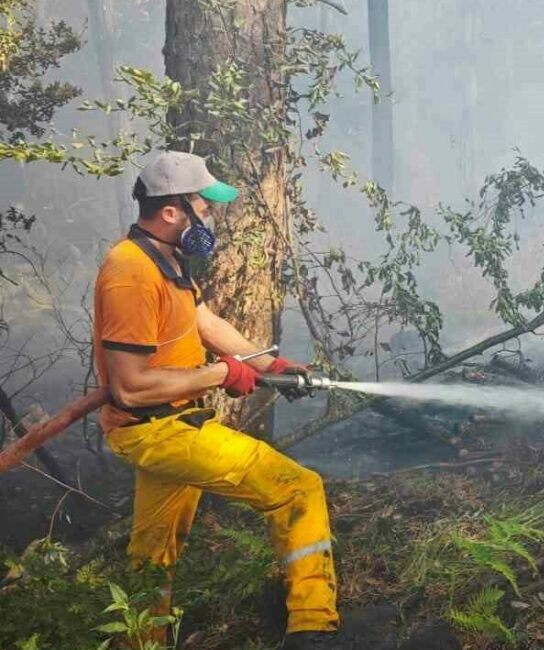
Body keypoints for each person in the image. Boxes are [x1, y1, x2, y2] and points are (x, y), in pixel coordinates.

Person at [93, 151, 352, 649]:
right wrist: (220, 374)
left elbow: (203, 322)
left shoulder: (162, 258)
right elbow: (130, 387)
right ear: (172, 213)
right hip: (158, 429)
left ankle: (140, 643)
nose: (211, 216)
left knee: (152, 558)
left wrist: (266, 364)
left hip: (168, 424)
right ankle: (312, 628)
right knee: (299, 489)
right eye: (204, 207)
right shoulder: (129, 273)